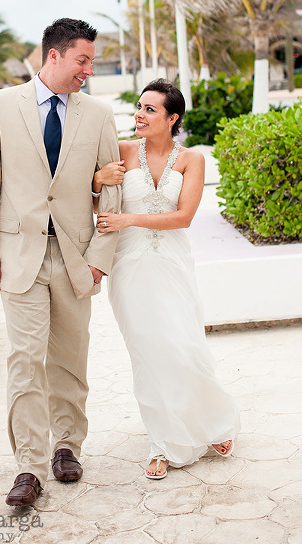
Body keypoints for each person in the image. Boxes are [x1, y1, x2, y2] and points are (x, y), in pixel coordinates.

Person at [0, 18, 121, 506]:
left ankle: (66, 447)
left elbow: (111, 187)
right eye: (82, 60)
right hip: (19, 257)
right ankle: (30, 467)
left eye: (91, 62)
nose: (88, 70)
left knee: (69, 362)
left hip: (76, 258)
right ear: (53, 55)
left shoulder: (97, 114)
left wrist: (100, 256)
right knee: (24, 360)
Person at [93, 79, 240, 479]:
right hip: (128, 265)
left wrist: (128, 218)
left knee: (184, 344)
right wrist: (97, 181)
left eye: (150, 110)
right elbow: (89, 193)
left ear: (172, 118)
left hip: (172, 261)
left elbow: (184, 218)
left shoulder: (191, 159)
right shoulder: (122, 152)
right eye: (139, 107)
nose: (139, 115)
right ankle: (162, 442)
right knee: (148, 353)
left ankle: (213, 424)